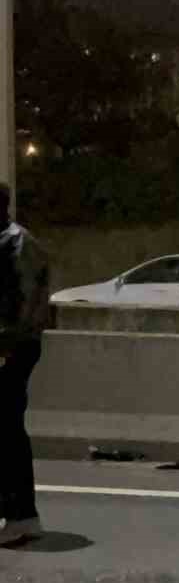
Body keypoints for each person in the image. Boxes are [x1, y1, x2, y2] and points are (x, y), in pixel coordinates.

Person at [0, 182, 51, 547]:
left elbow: (26, 305)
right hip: (9, 346)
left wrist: (4, 348)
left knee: (7, 430)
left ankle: (22, 516)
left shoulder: (18, 243)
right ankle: (16, 512)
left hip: (13, 349)